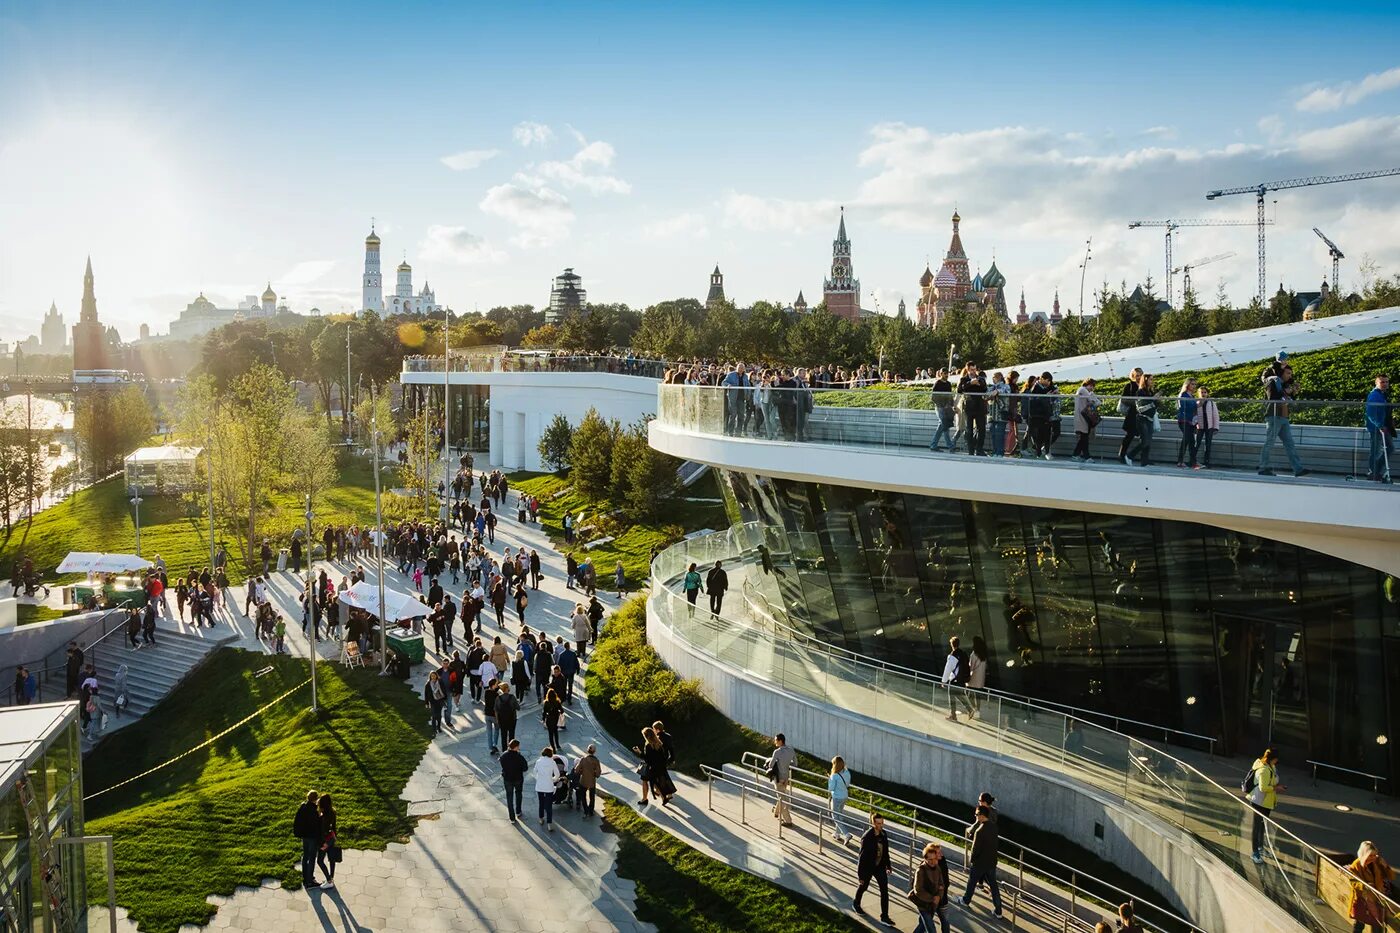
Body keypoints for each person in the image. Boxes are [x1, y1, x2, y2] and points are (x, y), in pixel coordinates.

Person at [1259, 362, 1309, 477]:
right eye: (1288, 373)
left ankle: (1298, 469)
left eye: (1291, 374)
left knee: (1289, 444)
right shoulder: (1272, 382)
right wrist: (1287, 392)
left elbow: (1288, 399)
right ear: (1281, 372)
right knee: (1269, 443)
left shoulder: (1285, 385)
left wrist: (1293, 393)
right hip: (1274, 416)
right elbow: (1273, 398)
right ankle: (1263, 467)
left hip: (1284, 416)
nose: (1290, 376)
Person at [960, 804, 1003, 917]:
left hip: (979, 863)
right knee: (994, 886)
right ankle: (998, 910)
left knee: (971, 882)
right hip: (991, 862)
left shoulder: (979, 831)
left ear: (981, 815)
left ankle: (965, 900)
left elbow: (975, 849)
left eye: (976, 815)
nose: (976, 817)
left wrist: (972, 861)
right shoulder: (994, 827)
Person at [852, 812, 893, 925]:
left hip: (879, 867)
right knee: (863, 886)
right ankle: (856, 903)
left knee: (884, 891)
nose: (881, 825)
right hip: (869, 867)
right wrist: (860, 875)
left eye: (882, 823)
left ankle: (884, 916)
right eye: (878, 823)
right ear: (873, 823)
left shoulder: (883, 834)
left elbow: (885, 852)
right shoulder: (867, 837)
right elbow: (862, 856)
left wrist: (888, 865)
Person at [1247, 748, 1285, 863]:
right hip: (1259, 802)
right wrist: (1276, 788)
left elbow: (1273, 780)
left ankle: (1260, 847)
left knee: (1262, 825)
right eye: (1276, 759)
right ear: (1273, 759)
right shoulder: (1263, 769)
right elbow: (1263, 788)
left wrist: (1277, 785)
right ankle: (1255, 853)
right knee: (1256, 826)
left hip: (1266, 802)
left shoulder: (1271, 767)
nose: (1277, 762)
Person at [1348, 841, 1394, 933]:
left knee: (1377, 924)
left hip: (1377, 898)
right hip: (1363, 898)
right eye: (1370, 855)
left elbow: (1391, 877)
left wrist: (1385, 866)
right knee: (1359, 923)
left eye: (1374, 855)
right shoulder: (1356, 865)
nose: (1373, 858)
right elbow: (1353, 882)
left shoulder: (1377, 863)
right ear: (1364, 855)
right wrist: (1365, 886)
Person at [911, 842, 951, 933]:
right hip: (927, 903)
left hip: (940, 900)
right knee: (928, 927)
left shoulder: (940, 864)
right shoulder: (922, 869)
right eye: (938, 852)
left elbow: (943, 883)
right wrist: (933, 898)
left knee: (943, 923)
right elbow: (918, 889)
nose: (941, 854)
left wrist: (939, 896)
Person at [633, 726, 676, 806]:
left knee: (644, 781)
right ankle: (663, 797)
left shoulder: (648, 745)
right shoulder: (659, 743)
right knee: (655, 782)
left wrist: (639, 752)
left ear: (646, 736)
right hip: (659, 767)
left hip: (651, 768)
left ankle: (644, 799)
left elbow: (647, 759)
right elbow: (663, 756)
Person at [1365, 374, 1394, 483]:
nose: (1385, 384)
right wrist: (1380, 425)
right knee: (1376, 451)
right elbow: (1371, 413)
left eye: (1387, 382)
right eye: (1382, 382)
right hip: (1376, 428)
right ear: (1376, 383)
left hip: (1382, 427)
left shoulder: (1383, 394)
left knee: (1389, 448)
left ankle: (1375, 470)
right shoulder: (1374, 395)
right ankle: (1373, 472)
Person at [292, 790, 322, 889]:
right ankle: (309, 881)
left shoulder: (303, 807)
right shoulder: (313, 810)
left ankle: (305, 878)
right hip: (312, 837)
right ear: (315, 799)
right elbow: (316, 825)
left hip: (304, 836)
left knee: (305, 856)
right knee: (312, 858)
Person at [1128, 374, 1159, 467]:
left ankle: (1144, 460)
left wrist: (1157, 400)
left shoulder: (1150, 391)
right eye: (1150, 380)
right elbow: (1141, 407)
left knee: (1148, 441)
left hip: (1149, 418)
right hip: (1142, 418)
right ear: (1145, 381)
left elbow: (1154, 405)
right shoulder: (1140, 392)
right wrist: (1154, 400)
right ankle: (1130, 455)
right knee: (1145, 441)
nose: (1152, 381)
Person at [767, 733, 797, 825]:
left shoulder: (777, 752)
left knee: (782, 798)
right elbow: (795, 763)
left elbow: (770, 765)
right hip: (786, 777)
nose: (775, 741)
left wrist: (771, 761)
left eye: (776, 740)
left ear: (780, 741)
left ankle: (788, 821)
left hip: (778, 778)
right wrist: (786, 765)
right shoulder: (791, 750)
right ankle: (776, 812)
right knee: (781, 795)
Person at [1116, 367, 1143, 464]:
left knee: (1144, 437)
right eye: (1137, 375)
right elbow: (1124, 399)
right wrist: (1136, 402)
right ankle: (1122, 455)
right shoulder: (1129, 386)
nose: (1139, 377)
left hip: (1142, 414)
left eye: (1140, 375)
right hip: (1132, 414)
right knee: (1129, 436)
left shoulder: (1144, 386)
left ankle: (1142, 458)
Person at [941, 635, 970, 722]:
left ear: (952, 645)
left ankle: (953, 715)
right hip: (961, 679)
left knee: (952, 697)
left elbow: (948, 669)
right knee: (958, 695)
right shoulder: (963, 654)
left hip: (954, 680)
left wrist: (943, 681)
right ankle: (969, 709)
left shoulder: (952, 656)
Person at [534, 746, 563, 831]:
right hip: (549, 786)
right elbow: (557, 774)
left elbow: (534, 772)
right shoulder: (552, 762)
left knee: (541, 803)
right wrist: (553, 780)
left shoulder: (538, 762)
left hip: (540, 786)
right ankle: (549, 823)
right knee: (549, 805)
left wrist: (538, 778)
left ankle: (541, 818)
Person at [500, 738, 528, 824]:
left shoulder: (503, 756)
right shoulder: (519, 757)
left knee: (509, 797)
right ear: (515, 747)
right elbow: (525, 768)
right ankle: (518, 811)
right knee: (518, 794)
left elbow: (503, 765)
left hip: (507, 779)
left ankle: (512, 817)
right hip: (518, 778)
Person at [1072, 378, 1100, 461]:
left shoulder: (1085, 391)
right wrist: (1092, 395)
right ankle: (1086, 456)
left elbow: (1097, 402)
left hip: (1084, 417)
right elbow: (1094, 401)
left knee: (1084, 438)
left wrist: (1092, 396)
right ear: (1086, 384)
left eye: (1093, 386)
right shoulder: (1082, 389)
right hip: (1082, 417)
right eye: (1090, 385)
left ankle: (1076, 454)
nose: (1092, 388)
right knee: (1084, 438)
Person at [828, 756, 853, 844]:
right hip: (844, 796)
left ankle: (846, 834)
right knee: (840, 815)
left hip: (836, 798)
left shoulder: (834, 776)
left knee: (835, 817)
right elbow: (848, 784)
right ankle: (837, 834)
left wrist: (829, 779)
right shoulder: (847, 772)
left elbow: (831, 788)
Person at [1194, 386, 1220, 470]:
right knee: (1196, 444)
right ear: (1198, 393)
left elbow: (1215, 416)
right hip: (1200, 427)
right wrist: (1195, 424)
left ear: (1207, 393)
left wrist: (1215, 427)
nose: (1203, 394)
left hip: (1209, 427)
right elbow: (1194, 415)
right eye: (1201, 392)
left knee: (1208, 445)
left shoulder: (1211, 403)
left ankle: (1207, 462)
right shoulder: (1196, 403)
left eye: (1205, 392)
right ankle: (1193, 460)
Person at [1175, 378, 1199, 468]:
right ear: (1187, 385)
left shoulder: (1192, 396)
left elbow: (1194, 408)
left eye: (1195, 384)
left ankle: (1193, 462)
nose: (1194, 386)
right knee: (1186, 440)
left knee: (1191, 441)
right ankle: (1180, 461)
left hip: (1191, 421)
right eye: (1192, 384)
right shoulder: (1183, 394)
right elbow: (1182, 407)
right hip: (1184, 420)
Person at [316, 794, 338, 887]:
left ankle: (329, 881)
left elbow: (321, 832)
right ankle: (331, 877)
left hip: (325, 841)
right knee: (331, 859)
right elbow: (334, 826)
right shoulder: (333, 812)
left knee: (320, 861)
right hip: (331, 838)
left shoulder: (322, 817)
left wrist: (322, 843)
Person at [575, 743, 602, 817]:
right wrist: (595, 775)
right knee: (592, 796)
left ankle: (585, 810)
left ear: (587, 750)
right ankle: (591, 811)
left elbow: (577, 770)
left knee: (583, 796)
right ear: (594, 751)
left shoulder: (583, 759)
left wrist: (581, 772)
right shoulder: (596, 761)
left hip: (583, 781)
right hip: (592, 782)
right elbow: (598, 773)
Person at [495, 681, 520, 750]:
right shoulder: (512, 697)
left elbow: (496, 710)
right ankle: (512, 748)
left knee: (503, 735)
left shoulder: (498, 698)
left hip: (502, 720)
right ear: (507, 689)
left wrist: (497, 720)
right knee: (511, 735)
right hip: (512, 719)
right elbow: (518, 708)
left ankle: (504, 750)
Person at [423, 670, 447, 735]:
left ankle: (438, 727)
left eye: (434, 675)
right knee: (434, 716)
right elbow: (426, 694)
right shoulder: (428, 684)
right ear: (430, 677)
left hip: (440, 701)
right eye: (432, 676)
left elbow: (444, 690)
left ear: (436, 676)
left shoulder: (440, 682)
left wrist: (445, 699)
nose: (433, 677)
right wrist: (426, 703)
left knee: (439, 716)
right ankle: (434, 729)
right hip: (432, 701)